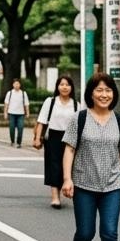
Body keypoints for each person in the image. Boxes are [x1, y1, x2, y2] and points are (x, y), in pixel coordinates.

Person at [61, 73, 120, 241]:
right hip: (84, 183)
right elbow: (69, 149)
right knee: (85, 232)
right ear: (91, 93)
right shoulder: (79, 118)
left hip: (112, 184)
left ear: (114, 94)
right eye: (99, 90)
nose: (104, 95)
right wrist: (67, 178)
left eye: (108, 90)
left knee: (110, 232)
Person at [32, 74, 78, 208]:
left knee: (68, 166)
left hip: (70, 138)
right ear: (57, 87)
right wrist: (37, 138)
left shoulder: (76, 105)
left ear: (71, 87)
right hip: (52, 136)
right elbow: (41, 120)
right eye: (62, 84)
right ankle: (55, 196)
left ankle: (65, 187)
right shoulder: (50, 102)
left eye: (67, 85)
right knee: (53, 165)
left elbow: (79, 125)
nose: (64, 87)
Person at [3, 78, 30, 147]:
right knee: (11, 128)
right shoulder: (10, 93)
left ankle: (19, 142)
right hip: (11, 113)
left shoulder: (23, 93)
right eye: (15, 84)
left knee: (20, 128)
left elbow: (26, 104)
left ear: (20, 85)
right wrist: (5, 113)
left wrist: (27, 112)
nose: (16, 85)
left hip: (21, 114)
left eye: (18, 84)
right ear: (13, 85)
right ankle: (12, 141)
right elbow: (6, 104)